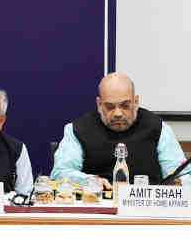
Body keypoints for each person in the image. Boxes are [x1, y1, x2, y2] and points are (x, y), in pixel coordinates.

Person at [51, 72, 188, 187]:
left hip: (148, 210)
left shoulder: (158, 128)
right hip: (96, 208)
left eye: (125, 105)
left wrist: (178, 182)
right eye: (110, 106)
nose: (118, 113)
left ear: (136, 102)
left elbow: (184, 175)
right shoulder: (77, 129)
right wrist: (90, 181)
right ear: (99, 105)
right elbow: (60, 173)